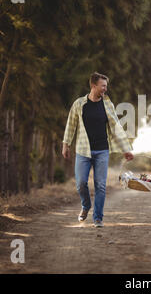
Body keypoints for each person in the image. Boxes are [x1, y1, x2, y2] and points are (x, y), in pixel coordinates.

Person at [62, 72, 133, 227]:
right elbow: (71, 125)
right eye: (103, 86)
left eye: (106, 86)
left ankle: (98, 218)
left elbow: (116, 127)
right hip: (83, 150)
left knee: (100, 185)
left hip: (102, 150)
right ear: (93, 86)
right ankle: (86, 206)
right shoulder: (79, 104)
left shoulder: (108, 105)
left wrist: (125, 149)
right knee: (81, 183)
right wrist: (65, 144)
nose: (105, 89)